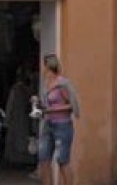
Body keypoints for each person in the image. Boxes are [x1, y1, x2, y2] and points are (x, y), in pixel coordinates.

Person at [35, 54, 80, 185]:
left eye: (43, 65)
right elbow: (46, 104)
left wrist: (52, 110)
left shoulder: (62, 84)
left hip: (62, 126)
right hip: (48, 124)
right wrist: (38, 103)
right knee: (43, 159)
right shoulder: (46, 84)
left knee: (62, 160)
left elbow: (72, 105)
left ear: (48, 66)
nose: (42, 69)